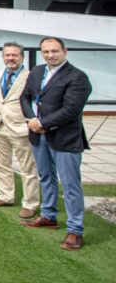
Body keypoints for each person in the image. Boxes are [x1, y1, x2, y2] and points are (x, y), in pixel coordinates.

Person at [20, 37, 92, 251]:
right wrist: (33, 120)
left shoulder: (78, 77)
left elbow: (71, 110)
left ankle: (75, 230)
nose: (50, 55)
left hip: (65, 138)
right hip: (38, 135)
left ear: (65, 51)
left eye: (54, 51)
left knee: (70, 185)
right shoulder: (37, 71)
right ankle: (48, 215)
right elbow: (25, 97)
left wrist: (42, 124)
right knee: (45, 177)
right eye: (46, 51)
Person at [0, 42, 39, 218]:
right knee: (1, 164)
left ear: (22, 56)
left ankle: (30, 203)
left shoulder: (30, 76)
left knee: (28, 168)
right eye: (7, 55)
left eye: (15, 55)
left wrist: (32, 122)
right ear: (2, 57)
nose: (11, 58)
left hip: (20, 127)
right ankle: (6, 195)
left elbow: (36, 101)